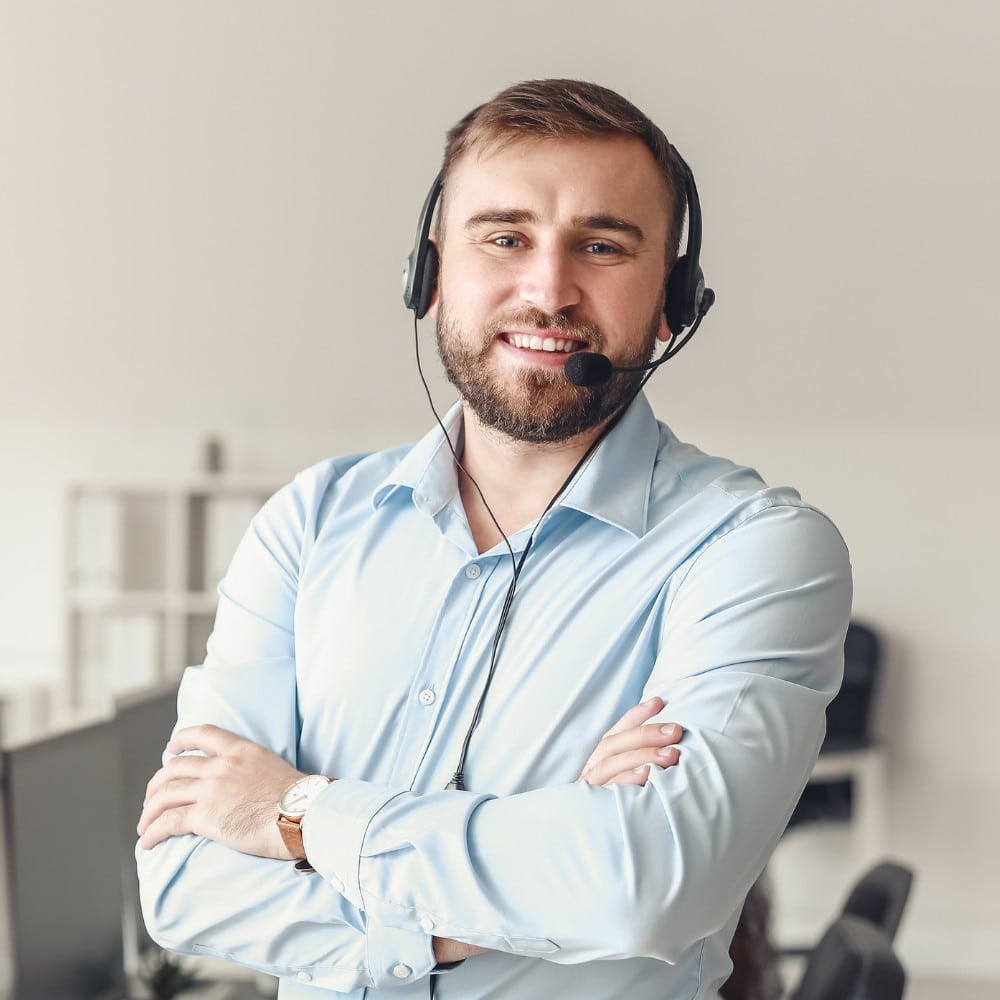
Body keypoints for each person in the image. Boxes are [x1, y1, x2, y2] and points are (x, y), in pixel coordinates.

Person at [136, 79, 851, 999]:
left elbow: (642, 889)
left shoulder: (754, 551)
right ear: (430, 276)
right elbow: (187, 885)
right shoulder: (310, 524)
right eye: (505, 238)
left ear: (673, 300)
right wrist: (543, 871)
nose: (549, 289)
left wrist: (294, 811)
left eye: (601, 246)